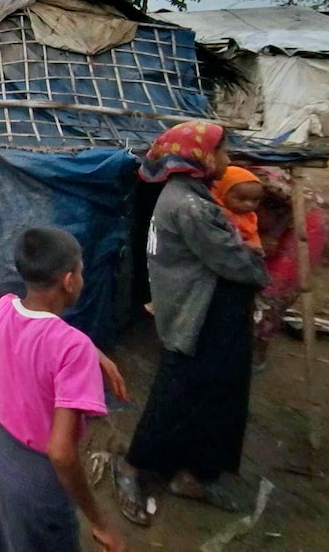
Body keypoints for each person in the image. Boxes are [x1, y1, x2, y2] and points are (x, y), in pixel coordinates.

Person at [112, 122, 269, 525]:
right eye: (222, 152)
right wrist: (257, 263)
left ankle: (193, 474)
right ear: (199, 157)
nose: (228, 160)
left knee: (215, 394)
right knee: (178, 394)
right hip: (198, 313)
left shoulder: (189, 197)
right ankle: (132, 468)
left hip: (207, 311)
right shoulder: (190, 206)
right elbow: (236, 262)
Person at [0, 227, 127, 552]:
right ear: (69, 280)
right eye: (82, 270)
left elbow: (39, 331)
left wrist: (93, 352)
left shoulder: (5, 307)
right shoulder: (72, 350)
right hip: (37, 483)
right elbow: (60, 452)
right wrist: (99, 522)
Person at [250, 166, 327, 370]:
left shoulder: (267, 187)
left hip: (300, 225)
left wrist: (274, 234)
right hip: (266, 223)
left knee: (272, 291)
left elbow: (296, 200)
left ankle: (259, 352)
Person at [211, 166, 265, 254]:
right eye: (241, 199)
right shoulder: (215, 214)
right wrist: (244, 246)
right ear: (222, 192)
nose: (249, 204)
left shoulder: (250, 217)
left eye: (255, 200)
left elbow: (254, 240)